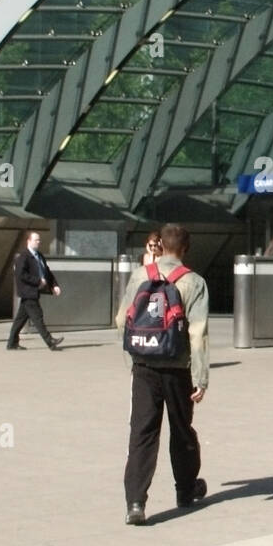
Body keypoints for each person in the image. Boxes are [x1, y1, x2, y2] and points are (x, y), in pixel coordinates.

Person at [114, 223, 210, 525]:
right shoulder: (194, 282)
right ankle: (185, 491)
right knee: (182, 431)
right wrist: (201, 376)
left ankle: (135, 502)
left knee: (142, 433)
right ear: (185, 248)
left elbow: (121, 319)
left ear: (160, 245)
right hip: (178, 369)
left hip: (144, 367)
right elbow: (198, 333)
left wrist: (135, 354)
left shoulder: (141, 275)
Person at [7, 231, 63, 351]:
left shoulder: (39, 256)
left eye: (39, 240)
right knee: (37, 316)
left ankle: (12, 343)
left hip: (34, 291)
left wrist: (54, 285)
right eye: (36, 240)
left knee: (20, 319)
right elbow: (20, 274)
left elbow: (47, 272)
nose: (38, 242)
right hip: (28, 291)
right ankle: (50, 341)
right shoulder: (24, 256)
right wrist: (38, 281)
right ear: (28, 241)